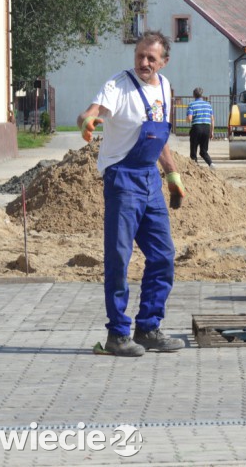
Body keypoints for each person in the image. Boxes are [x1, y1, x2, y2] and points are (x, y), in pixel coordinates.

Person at [78, 31, 186, 357]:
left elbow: (159, 137)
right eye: (140, 55)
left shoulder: (165, 88)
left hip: (150, 179)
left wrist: (172, 175)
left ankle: (149, 327)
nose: (143, 62)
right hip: (122, 179)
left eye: (151, 58)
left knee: (163, 256)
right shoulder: (118, 85)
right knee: (119, 258)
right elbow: (93, 110)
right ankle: (117, 335)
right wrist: (88, 120)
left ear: (164, 61)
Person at [186, 87, 214, 167]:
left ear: (193, 95)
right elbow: (212, 119)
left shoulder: (191, 105)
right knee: (203, 151)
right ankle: (211, 163)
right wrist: (212, 131)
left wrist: (187, 120)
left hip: (196, 128)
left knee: (193, 151)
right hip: (207, 128)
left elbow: (189, 118)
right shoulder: (208, 105)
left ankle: (195, 168)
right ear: (202, 94)